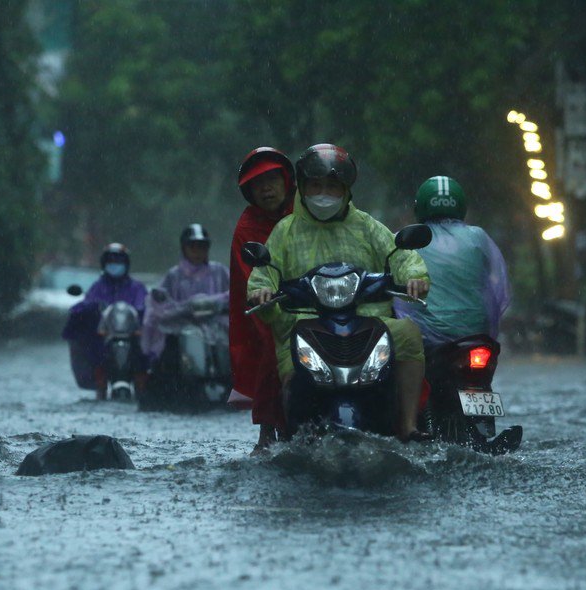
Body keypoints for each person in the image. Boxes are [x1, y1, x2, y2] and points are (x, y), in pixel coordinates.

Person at [246, 143, 431, 441]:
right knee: (292, 371)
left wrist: (414, 278)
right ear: (302, 188)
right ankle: (293, 434)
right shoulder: (285, 230)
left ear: (346, 191)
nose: (324, 194)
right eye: (316, 186)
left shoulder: (367, 226)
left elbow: (402, 256)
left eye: (332, 187)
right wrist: (262, 291)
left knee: (409, 333)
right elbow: (264, 273)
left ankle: (408, 425)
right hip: (302, 326)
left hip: (369, 325)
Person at [229, 147, 295, 452]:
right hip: (266, 307)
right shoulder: (247, 227)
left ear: (286, 181)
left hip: (318, 297)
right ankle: (268, 430)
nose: (267, 188)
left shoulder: (306, 212)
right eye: (259, 183)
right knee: (273, 347)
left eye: (272, 179)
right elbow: (249, 278)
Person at [395, 176, 510, 346]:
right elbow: (492, 279)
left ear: (419, 205)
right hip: (476, 330)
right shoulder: (478, 236)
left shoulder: (407, 237)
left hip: (427, 335)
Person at [62, 243, 148, 400]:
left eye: (119, 261)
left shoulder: (137, 287)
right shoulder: (98, 287)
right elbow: (86, 304)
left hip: (133, 338)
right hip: (106, 339)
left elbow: (145, 305)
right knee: (96, 352)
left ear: (126, 263)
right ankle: (100, 389)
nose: (115, 265)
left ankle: (142, 390)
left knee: (142, 356)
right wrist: (89, 308)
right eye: (111, 261)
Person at [141, 225, 230, 364]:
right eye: (192, 247)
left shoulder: (219, 272)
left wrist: (215, 303)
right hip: (181, 334)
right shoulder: (173, 275)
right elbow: (158, 307)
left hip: (219, 334)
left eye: (202, 247)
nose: (197, 252)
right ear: (184, 248)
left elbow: (238, 293)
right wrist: (186, 308)